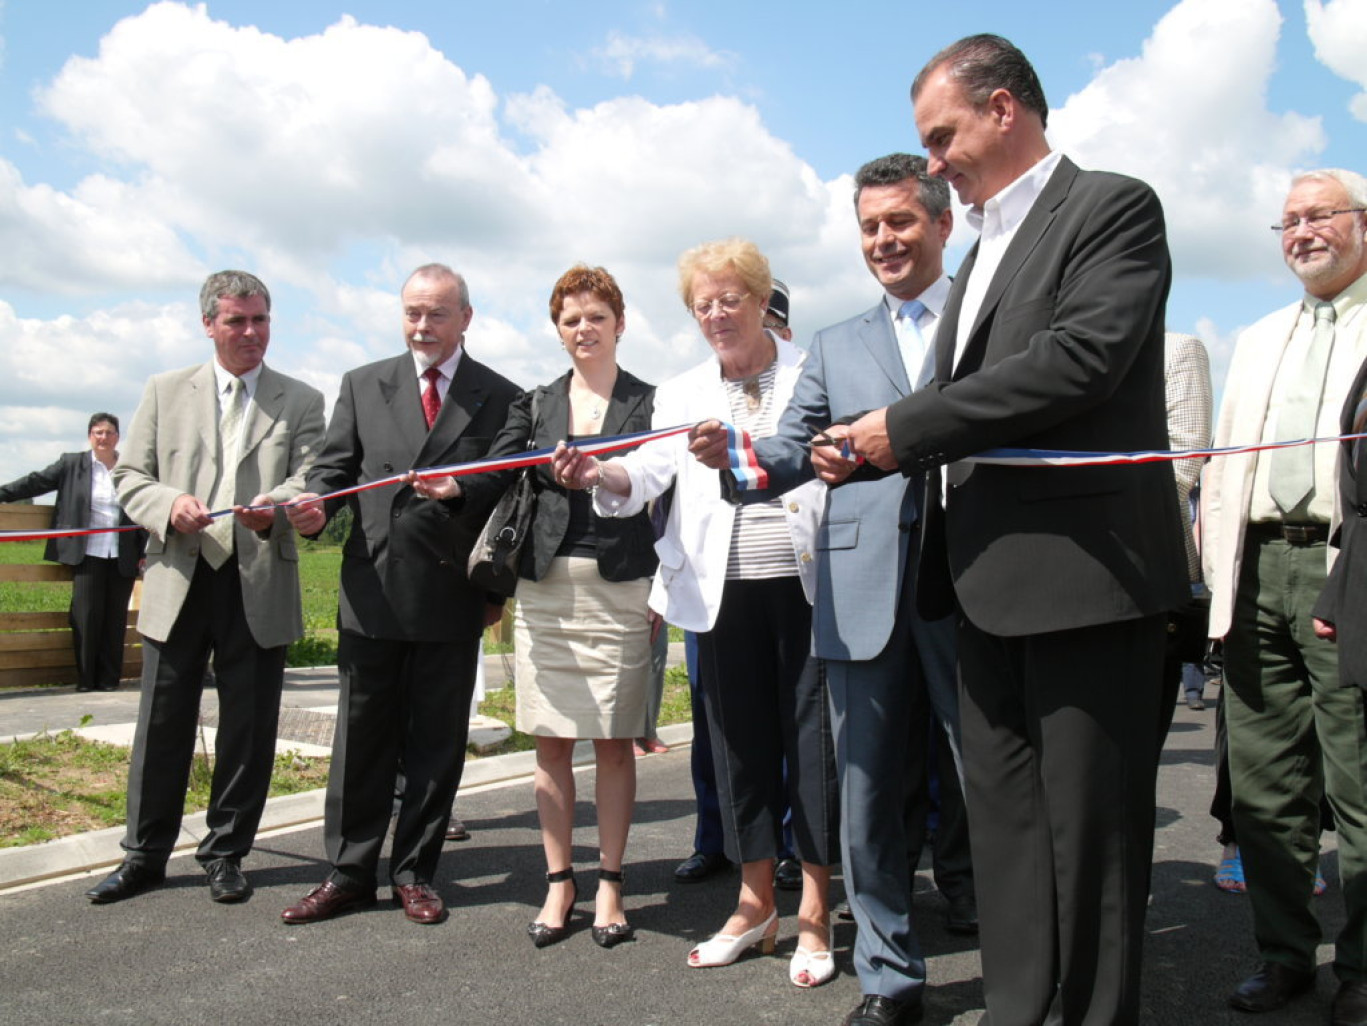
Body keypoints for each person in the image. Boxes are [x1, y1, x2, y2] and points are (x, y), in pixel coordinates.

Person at [844, 35, 1186, 1025]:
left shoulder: (1109, 208)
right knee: (1003, 835)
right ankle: (1019, 1007)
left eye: (941, 136)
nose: (932, 161)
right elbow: (967, 396)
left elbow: (1082, 359)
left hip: (1085, 579)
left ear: (1002, 109)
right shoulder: (981, 243)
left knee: (1091, 845)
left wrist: (901, 428)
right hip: (980, 582)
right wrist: (873, 442)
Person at [692, 154, 968, 1025]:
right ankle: (890, 978)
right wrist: (738, 456)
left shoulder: (987, 313)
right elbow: (790, 447)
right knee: (866, 794)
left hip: (974, 582)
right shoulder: (839, 344)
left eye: (900, 223)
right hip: (859, 595)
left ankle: (1023, 955)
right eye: (869, 228)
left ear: (941, 224)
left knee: (987, 786)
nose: (884, 240)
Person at [553, 238, 840, 989]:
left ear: (760, 298)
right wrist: (598, 469)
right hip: (715, 596)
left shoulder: (816, 372)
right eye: (701, 305)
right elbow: (643, 472)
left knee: (812, 751)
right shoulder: (679, 394)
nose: (715, 315)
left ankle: (814, 908)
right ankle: (753, 904)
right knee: (736, 750)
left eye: (728, 299)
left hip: (810, 589)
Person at [281, 263, 519, 927]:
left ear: (465, 319)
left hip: (448, 594)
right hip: (372, 592)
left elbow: (504, 481)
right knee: (360, 744)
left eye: (436, 314)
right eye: (412, 312)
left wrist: (460, 490)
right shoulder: (362, 384)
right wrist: (314, 510)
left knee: (436, 746)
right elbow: (332, 470)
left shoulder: (502, 396)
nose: (422, 326)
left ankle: (415, 874)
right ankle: (349, 872)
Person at [84, 270, 326, 905]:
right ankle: (144, 855)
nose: (251, 333)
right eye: (237, 321)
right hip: (178, 577)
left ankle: (226, 852)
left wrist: (275, 504)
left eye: (261, 321)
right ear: (209, 324)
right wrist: (168, 504)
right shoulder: (164, 392)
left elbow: (313, 476)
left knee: (248, 726)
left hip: (259, 579)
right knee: (162, 720)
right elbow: (130, 475)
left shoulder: (300, 400)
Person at [1202, 169, 1367, 1022]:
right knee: (1264, 788)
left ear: (1363, 225)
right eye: (1288, 221)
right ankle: (1283, 958)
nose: (1301, 231)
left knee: (1359, 784)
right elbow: (1224, 469)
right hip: (1255, 568)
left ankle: (1364, 971)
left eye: (1319, 216)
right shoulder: (1259, 335)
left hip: (1350, 569)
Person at [469, 265, 657, 948]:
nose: (584, 329)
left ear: (619, 323)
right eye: (571, 319)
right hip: (545, 586)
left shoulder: (650, 402)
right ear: (558, 330)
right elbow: (496, 470)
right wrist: (451, 491)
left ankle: (609, 880)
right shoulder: (536, 402)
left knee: (612, 741)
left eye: (595, 317)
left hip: (620, 583)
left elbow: (665, 497)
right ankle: (558, 882)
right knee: (549, 741)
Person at [0, 413, 145, 692]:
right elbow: (34, 482)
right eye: (98, 432)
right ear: (90, 435)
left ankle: (109, 681)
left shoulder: (129, 469)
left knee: (115, 620)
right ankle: (87, 680)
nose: (104, 437)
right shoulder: (71, 464)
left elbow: (141, 507)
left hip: (123, 555)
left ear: (118, 437)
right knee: (86, 616)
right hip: (87, 553)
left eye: (110, 432)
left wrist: (145, 550)